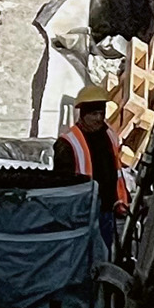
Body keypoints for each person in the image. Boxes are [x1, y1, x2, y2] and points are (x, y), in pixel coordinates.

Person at [54, 97, 122, 249]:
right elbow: (61, 181)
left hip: (106, 207)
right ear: (83, 115)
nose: (99, 118)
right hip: (80, 211)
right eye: (94, 114)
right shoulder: (68, 142)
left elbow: (115, 170)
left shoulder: (109, 135)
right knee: (82, 251)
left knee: (104, 251)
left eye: (101, 113)